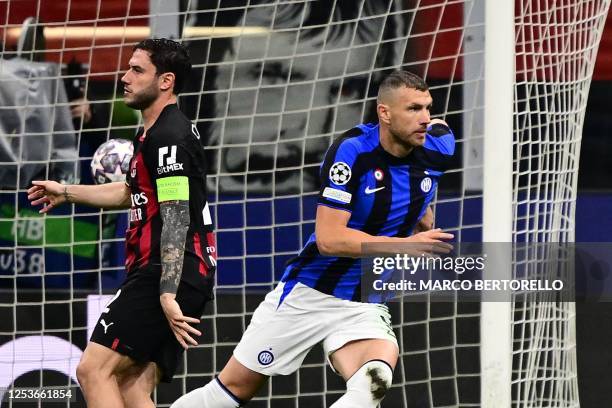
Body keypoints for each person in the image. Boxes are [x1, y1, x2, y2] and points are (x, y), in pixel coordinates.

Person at [171, 70, 455, 407]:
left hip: (364, 299)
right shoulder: (351, 154)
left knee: (373, 382)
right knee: (231, 390)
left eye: (427, 107)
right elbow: (330, 239)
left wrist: (421, 215)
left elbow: (424, 184)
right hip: (309, 293)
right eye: (413, 109)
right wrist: (404, 245)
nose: (425, 119)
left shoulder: (438, 143)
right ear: (384, 113)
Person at [27, 38, 216, 408]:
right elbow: (131, 192)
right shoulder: (155, 132)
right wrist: (66, 192)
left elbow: (176, 217)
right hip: (180, 273)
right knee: (130, 387)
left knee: (93, 370)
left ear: (166, 81)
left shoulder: (169, 138)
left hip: (164, 273)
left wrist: (165, 291)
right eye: (128, 68)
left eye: (137, 70)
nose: (125, 77)